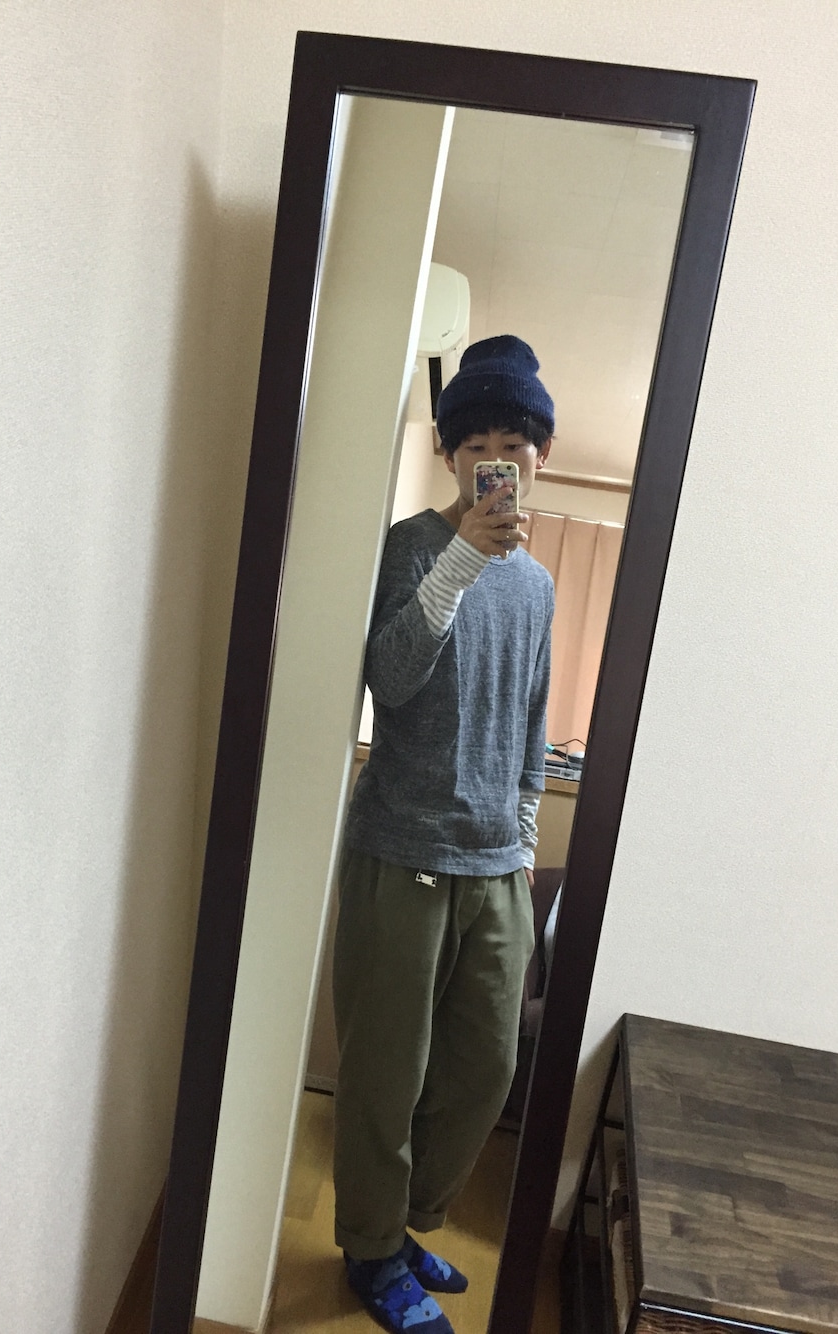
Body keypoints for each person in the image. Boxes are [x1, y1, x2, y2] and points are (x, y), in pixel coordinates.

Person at [332, 334, 556, 1334]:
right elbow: (388, 679)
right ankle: (369, 1248)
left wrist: (524, 835)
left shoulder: (539, 584)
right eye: (477, 444)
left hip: (497, 863)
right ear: (449, 451)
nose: (495, 460)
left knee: (482, 1071)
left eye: (513, 444)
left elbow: (534, 719)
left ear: (539, 456)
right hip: (402, 851)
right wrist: (462, 556)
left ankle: (403, 1221)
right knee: (385, 1075)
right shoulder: (410, 548)